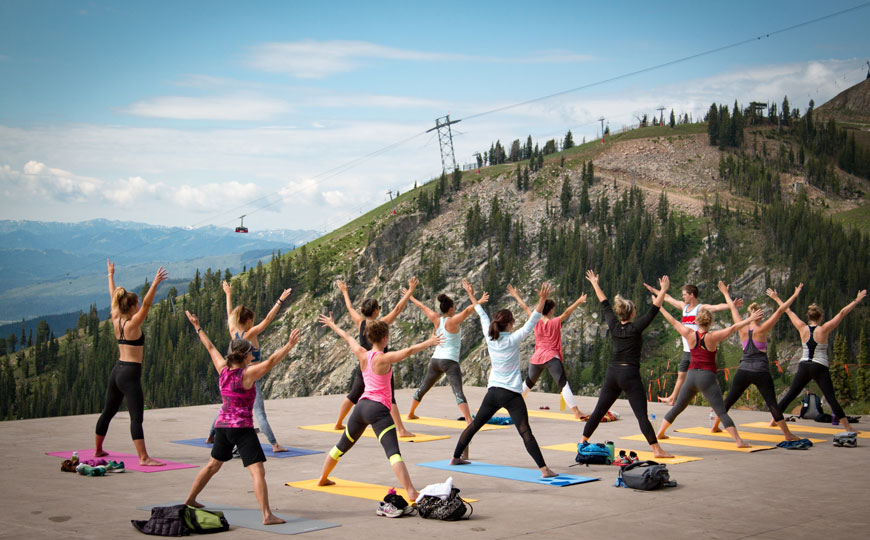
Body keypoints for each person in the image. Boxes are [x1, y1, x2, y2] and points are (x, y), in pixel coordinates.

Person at [184, 311, 301, 525]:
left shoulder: (223, 370)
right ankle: (267, 515)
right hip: (242, 428)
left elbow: (210, 347)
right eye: (250, 353)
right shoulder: (247, 374)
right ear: (246, 356)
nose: (252, 355)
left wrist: (197, 326)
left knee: (212, 465)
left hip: (222, 426)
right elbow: (272, 361)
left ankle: (190, 499)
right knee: (257, 471)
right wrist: (289, 345)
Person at [317, 312, 444, 501]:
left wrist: (333, 324)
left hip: (360, 409)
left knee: (341, 446)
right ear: (384, 338)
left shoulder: (362, 354)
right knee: (393, 453)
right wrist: (429, 342)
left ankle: (323, 478)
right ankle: (410, 490)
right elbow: (408, 351)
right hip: (377, 410)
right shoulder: (384, 359)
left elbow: (348, 337)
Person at [449, 280, 557, 478]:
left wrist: (471, 294)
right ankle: (544, 469)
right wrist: (541, 299)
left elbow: (481, 313)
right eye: (513, 322)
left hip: (493, 392)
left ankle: (455, 457)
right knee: (525, 431)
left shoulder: (490, 337)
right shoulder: (513, 338)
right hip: (511, 395)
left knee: (474, 425)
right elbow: (533, 320)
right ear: (508, 324)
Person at [581, 270, 673, 458]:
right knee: (641, 416)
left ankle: (582, 442)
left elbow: (604, 304)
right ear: (631, 314)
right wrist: (663, 290)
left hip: (613, 373)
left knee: (599, 411)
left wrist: (595, 284)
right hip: (629, 375)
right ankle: (656, 450)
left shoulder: (614, 326)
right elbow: (654, 309)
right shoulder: (636, 327)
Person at [656, 303, 763, 447]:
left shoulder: (689, 334)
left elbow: (673, 321)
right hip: (707, 377)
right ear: (710, 322)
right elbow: (733, 328)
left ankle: (660, 433)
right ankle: (739, 441)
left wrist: (660, 306)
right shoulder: (713, 337)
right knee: (721, 411)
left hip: (691, 376)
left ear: (696, 321)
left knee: (677, 408)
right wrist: (750, 319)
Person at [205, 281, 292, 453]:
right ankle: (274, 444)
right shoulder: (250, 333)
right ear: (249, 320)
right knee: (259, 412)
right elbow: (267, 320)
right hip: (250, 376)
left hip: (234, 375)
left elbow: (230, 314)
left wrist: (228, 294)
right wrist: (280, 301)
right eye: (252, 319)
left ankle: (211, 435)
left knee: (227, 406)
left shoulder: (233, 331)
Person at [95, 260, 167, 466]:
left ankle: (98, 449)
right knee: (136, 418)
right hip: (130, 374)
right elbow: (147, 304)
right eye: (136, 305)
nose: (138, 307)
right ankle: (143, 457)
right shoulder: (133, 324)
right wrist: (155, 283)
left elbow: (113, 298)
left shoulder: (116, 318)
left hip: (116, 371)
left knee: (108, 411)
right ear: (133, 307)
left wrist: (110, 275)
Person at [711, 282, 802, 440]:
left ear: (748, 316)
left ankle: (715, 426)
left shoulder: (742, 328)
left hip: (744, 370)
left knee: (729, 400)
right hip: (760, 371)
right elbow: (781, 311)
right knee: (772, 403)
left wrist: (725, 293)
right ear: (760, 316)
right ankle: (787, 434)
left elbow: (733, 309)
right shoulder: (763, 328)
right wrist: (793, 295)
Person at [332, 278, 418, 438]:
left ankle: (338, 423)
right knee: (390, 397)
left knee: (353, 395)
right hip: (380, 366)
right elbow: (398, 309)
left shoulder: (360, 323)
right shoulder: (380, 324)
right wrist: (410, 291)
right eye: (378, 308)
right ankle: (401, 430)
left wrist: (344, 291)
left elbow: (349, 307)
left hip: (364, 365)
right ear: (376, 311)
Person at [771, 289, 867, 432]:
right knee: (830, 397)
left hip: (804, 365)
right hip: (819, 366)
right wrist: (857, 300)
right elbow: (841, 313)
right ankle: (847, 427)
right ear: (820, 317)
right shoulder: (824, 329)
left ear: (809, 317)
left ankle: (774, 420)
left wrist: (776, 298)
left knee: (791, 394)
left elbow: (788, 311)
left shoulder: (802, 327)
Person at [644, 282, 742, 405]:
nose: (683, 297)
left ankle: (717, 402)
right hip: (686, 349)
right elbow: (668, 298)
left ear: (691, 295)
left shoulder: (700, 308)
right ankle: (672, 398)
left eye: (684, 295)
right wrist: (654, 290)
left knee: (706, 376)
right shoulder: (683, 307)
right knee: (681, 374)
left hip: (697, 349)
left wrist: (731, 305)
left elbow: (716, 307)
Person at [506, 284, 590, 420]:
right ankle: (576, 412)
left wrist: (516, 294)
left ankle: (513, 408)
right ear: (550, 310)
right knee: (563, 384)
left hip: (537, 358)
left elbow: (525, 307)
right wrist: (579, 301)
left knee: (527, 384)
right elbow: (567, 312)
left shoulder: (536, 321)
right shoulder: (555, 322)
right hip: (551, 357)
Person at [405, 285, 484, 425]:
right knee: (458, 392)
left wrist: (410, 295)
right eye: (454, 307)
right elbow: (468, 310)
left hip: (436, 360)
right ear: (451, 308)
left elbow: (422, 306)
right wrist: (478, 299)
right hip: (450, 361)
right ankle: (468, 420)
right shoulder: (453, 321)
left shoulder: (436, 319)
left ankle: (410, 413)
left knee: (423, 387)